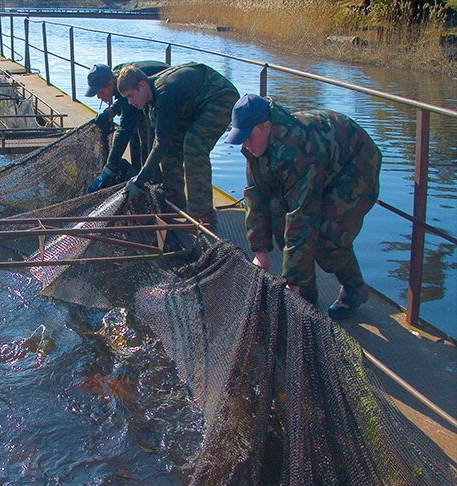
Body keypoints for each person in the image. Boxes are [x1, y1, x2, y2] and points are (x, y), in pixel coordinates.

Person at [225, 93, 381, 319]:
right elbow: (256, 197)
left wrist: (293, 281)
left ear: (267, 127)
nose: (246, 144)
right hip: (324, 164)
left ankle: (355, 290)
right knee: (279, 214)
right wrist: (260, 253)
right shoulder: (255, 147)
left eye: (250, 136)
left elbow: (302, 215)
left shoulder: (297, 149)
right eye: (241, 137)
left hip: (356, 164)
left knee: (328, 237)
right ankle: (307, 296)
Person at [117, 62, 239, 223]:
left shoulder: (164, 92)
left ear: (142, 85)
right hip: (194, 104)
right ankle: (174, 198)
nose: (129, 102)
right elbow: (154, 139)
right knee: (171, 145)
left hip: (220, 97)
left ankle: (203, 214)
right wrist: (147, 177)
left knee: (193, 145)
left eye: (131, 96)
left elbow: (160, 142)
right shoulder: (149, 100)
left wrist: (140, 180)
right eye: (126, 98)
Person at [85, 61, 168, 193]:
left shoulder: (125, 81)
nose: (99, 97)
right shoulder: (117, 75)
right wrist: (110, 112)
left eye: (99, 92)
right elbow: (124, 102)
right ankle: (141, 176)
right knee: (136, 135)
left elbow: (124, 129)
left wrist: (109, 167)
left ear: (111, 84)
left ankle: (154, 184)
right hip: (144, 99)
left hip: (166, 98)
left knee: (147, 140)